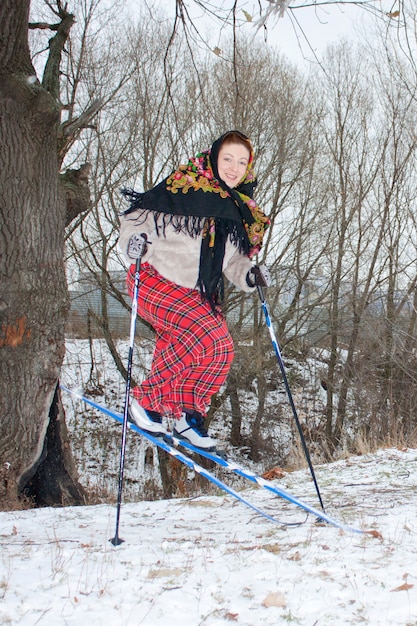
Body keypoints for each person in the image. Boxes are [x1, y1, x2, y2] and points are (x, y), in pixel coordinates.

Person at [118, 130, 271, 450]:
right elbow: (136, 219)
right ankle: (147, 402)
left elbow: (233, 263)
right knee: (196, 334)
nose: (233, 167)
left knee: (220, 349)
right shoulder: (184, 186)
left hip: (192, 293)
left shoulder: (237, 211)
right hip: (152, 277)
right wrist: (136, 244)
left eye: (241, 162)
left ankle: (185, 413)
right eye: (227, 159)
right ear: (213, 157)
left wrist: (251, 276)